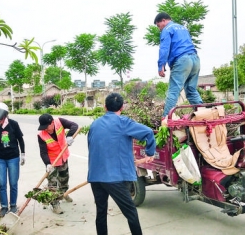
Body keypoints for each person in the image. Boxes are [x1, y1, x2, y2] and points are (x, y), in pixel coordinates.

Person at [87, 93, 156, 235]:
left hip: (95, 176)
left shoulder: (94, 124)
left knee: (101, 212)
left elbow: (91, 146)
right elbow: (148, 132)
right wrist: (150, 153)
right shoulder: (123, 122)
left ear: (105, 107)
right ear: (122, 107)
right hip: (115, 178)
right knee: (131, 212)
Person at [155, 12, 203, 118]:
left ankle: (167, 119)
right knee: (191, 90)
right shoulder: (183, 28)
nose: (159, 29)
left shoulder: (167, 29)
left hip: (182, 60)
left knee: (173, 90)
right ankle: (203, 115)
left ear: (163, 20)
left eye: (159, 26)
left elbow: (164, 48)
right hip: (195, 59)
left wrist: (161, 65)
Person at [0, 103, 26, 217]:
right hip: (0, 158)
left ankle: (13, 205)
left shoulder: (13, 124)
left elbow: (20, 140)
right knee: (2, 184)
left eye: (0, 119)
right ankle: (4, 206)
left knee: (13, 183)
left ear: (6, 115)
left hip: (13, 157)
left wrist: (23, 154)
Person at [37, 113, 78, 214]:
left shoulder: (59, 121)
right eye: (43, 127)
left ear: (52, 123)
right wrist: (47, 164)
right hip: (52, 161)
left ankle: (63, 193)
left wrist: (69, 136)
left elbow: (75, 126)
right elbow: (43, 152)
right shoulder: (41, 135)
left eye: (47, 127)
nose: (45, 129)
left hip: (63, 157)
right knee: (53, 184)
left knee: (64, 179)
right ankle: (55, 204)